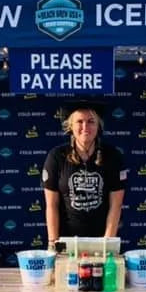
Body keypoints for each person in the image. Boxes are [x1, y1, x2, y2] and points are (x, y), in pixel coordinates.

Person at [42, 101, 126, 246]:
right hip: (66, 241)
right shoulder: (56, 156)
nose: (85, 127)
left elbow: (116, 205)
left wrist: (107, 244)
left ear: (98, 126)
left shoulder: (113, 156)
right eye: (79, 122)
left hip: (102, 240)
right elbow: (51, 205)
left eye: (91, 121)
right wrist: (53, 243)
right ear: (70, 126)